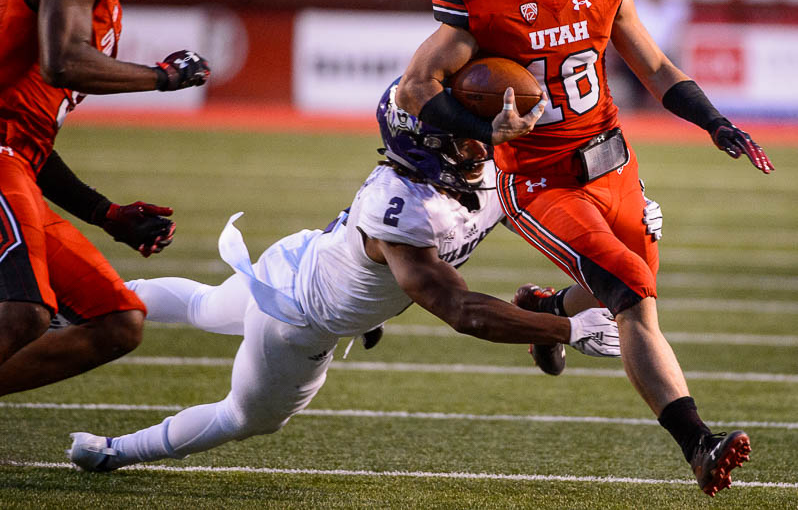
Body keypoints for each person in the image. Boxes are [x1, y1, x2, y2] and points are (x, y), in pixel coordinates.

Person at [395, 0, 773, 497]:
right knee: (634, 297)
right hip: (540, 179)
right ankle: (699, 445)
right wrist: (485, 128)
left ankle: (546, 305)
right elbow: (415, 90)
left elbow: (652, 65)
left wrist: (714, 120)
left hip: (612, 158)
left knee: (626, 288)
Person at [66, 78, 629, 471]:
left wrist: (619, 224)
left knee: (205, 307)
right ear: (431, 146)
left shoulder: (471, 171)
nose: (481, 143)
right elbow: (461, 311)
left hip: (298, 259)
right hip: (298, 319)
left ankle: (67, 306)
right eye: (464, 135)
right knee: (246, 416)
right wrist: (569, 331)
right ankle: (110, 450)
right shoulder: (404, 204)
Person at [0, 0, 210, 397]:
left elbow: (30, 141)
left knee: (116, 319)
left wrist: (105, 213)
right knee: (22, 313)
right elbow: (63, 62)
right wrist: (162, 77)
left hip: (13, 160)